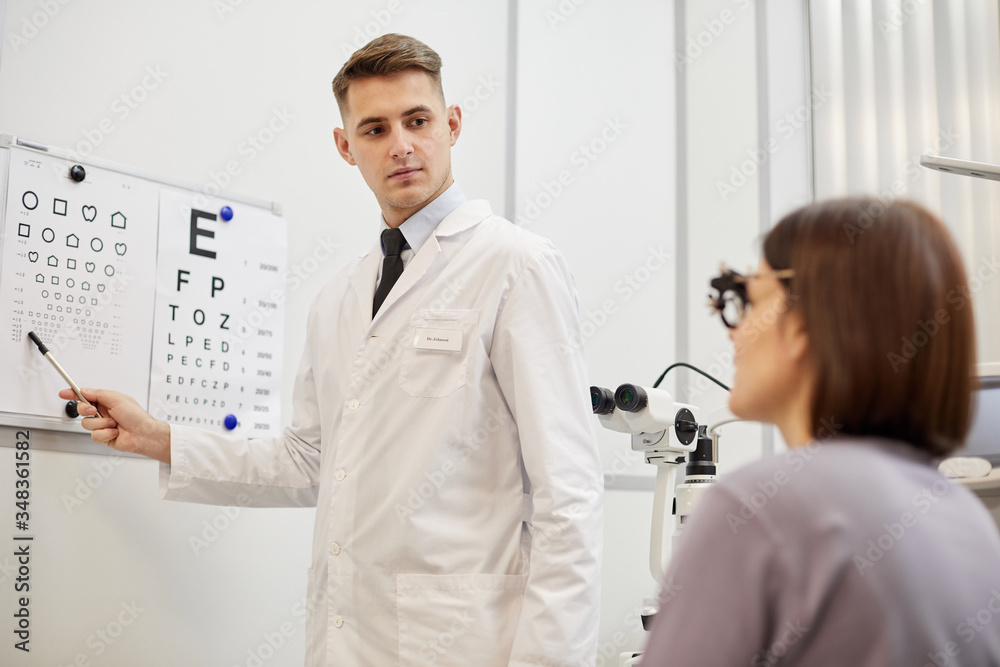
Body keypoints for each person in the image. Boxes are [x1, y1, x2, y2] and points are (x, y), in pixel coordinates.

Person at [63, 34, 603, 666]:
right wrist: (157, 438)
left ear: (452, 125)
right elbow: (309, 461)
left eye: (418, 120)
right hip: (348, 639)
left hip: (467, 643)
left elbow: (568, 493)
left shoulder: (514, 265)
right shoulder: (340, 296)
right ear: (347, 147)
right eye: (374, 129)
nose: (400, 144)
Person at [641, 197, 1000, 665]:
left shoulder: (755, 507)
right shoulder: (969, 523)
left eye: (747, 298)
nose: (734, 330)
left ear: (803, 322)